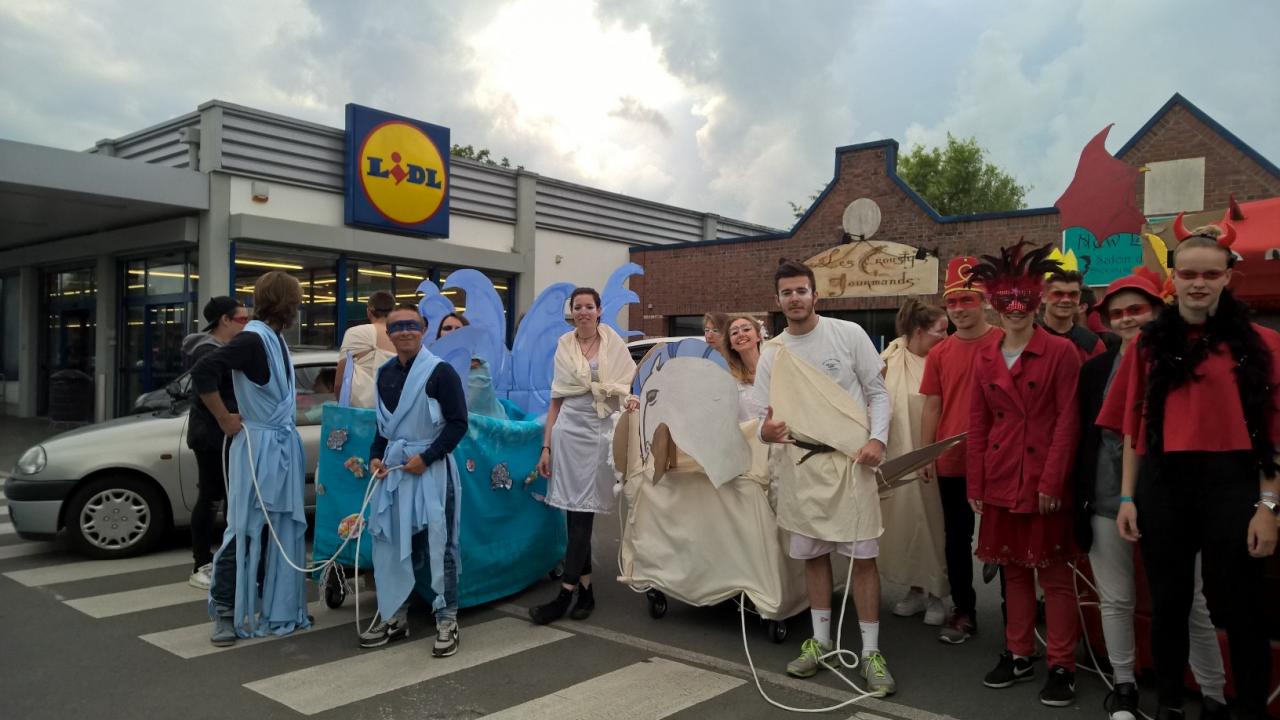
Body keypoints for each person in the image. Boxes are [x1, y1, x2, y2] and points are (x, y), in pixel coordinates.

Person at [1102, 216, 1280, 720]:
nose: (1198, 283)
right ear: (1173, 278)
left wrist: (1269, 506)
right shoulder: (1148, 345)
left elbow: (1273, 433)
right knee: (1170, 606)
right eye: (1188, 274)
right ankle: (1171, 708)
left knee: (1243, 610)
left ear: (1227, 277)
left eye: (1210, 274)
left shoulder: (1266, 345)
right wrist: (1129, 498)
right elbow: (1135, 426)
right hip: (1164, 482)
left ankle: (1248, 711)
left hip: (1235, 482)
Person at [1074, 269, 1228, 720]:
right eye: (1116, 313)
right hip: (1106, 499)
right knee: (1116, 598)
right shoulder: (1095, 370)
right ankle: (1123, 685)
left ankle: (1213, 692)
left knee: (1190, 601)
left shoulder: (1185, 358)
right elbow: (1084, 435)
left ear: (1157, 310)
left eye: (1136, 310)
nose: (1125, 320)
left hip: (1175, 499)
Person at [753, 260, 895, 694]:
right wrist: (766, 431)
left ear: (816, 295)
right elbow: (762, 416)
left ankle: (871, 651)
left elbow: (877, 392)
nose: (794, 298)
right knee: (814, 557)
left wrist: (879, 440)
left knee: (863, 560)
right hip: (802, 468)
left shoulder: (847, 335)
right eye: (786, 293)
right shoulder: (772, 352)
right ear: (777, 301)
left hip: (852, 464)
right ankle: (819, 642)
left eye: (801, 290)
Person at [966, 242, 1083, 708]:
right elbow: (978, 424)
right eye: (1005, 300)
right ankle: (1018, 653)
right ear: (994, 304)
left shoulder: (1061, 352)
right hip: (999, 478)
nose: (1015, 308)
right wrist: (976, 484)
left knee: (1053, 577)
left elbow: (1069, 420)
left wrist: (1052, 482)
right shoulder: (986, 356)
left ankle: (1061, 665)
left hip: (1042, 478)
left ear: (1037, 301)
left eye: (1024, 299)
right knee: (1013, 571)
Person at [191, 271, 310, 646]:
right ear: (287, 303)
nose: (300, 308)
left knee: (274, 527)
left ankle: (270, 601)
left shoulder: (271, 337)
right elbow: (203, 370)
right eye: (297, 300)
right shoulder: (254, 339)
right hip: (258, 446)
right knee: (244, 528)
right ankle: (225, 610)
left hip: (276, 444)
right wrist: (225, 417)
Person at [528, 288, 639, 625]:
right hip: (569, 431)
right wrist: (546, 447)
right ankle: (586, 590)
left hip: (600, 432)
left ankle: (565, 593)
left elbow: (628, 387)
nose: (583, 312)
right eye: (578, 307)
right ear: (571, 312)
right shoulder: (564, 345)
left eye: (589, 307)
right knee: (572, 514)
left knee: (583, 515)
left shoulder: (614, 345)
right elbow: (556, 402)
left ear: (599, 310)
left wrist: (629, 402)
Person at [363, 305, 468, 654]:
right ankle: (396, 615)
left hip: (432, 469)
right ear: (388, 333)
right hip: (396, 470)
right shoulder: (384, 375)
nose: (404, 331)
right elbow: (384, 428)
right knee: (392, 543)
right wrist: (375, 456)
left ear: (422, 329)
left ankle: (447, 620)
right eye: (397, 327)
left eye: (411, 325)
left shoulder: (441, 372)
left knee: (442, 544)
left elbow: (457, 423)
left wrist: (428, 457)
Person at [919, 257, 1003, 644]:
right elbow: (932, 405)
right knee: (956, 538)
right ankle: (964, 610)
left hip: (1000, 458)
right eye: (952, 304)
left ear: (983, 301)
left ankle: (1014, 616)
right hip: (952, 458)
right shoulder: (939, 353)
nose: (959, 310)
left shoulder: (1004, 341)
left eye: (966, 301)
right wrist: (926, 454)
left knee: (1004, 536)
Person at [879, 299, 949, 626]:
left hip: (936, 456)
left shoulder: (943, 360)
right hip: (899, 456)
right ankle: (917, 588)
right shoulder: (888, 360)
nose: (946, 337)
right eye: (941, 331)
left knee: (936, 525)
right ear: (919, 332)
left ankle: (940, 594)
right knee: (907, 524)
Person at [182, 297, 249, 589]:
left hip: (219, 434)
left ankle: (223, 558)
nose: (246, 325)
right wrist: (225, 418)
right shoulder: (207, 351)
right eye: (242, 320)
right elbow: (205, 387)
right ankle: (202, 563)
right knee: (211, 498)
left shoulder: (219, 349)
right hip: (212, 436)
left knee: (223, 497)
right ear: (225, 320)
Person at [334, 290, 397, 408]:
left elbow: (339, 383)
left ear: (369, 311)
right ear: (393, 311)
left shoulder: (355, 333)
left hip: (359, 413)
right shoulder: (402, 336)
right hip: (393, 413)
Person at [1041, 269, 1105, 360]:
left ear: (1079, 297)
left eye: (1073, 294)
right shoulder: (1029, 337)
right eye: (1058, 294)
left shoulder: (1092, 344)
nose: (1066, 300)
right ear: (1043, 297)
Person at [722, 314, 766, 421]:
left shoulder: (775, 366)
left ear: (759, 336)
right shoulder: (728, 381)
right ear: (731, 344)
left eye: (746, 329)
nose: (741, 334)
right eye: (734, 333)